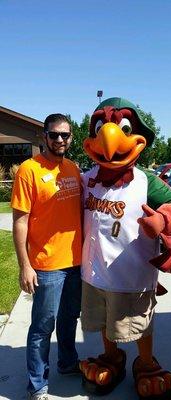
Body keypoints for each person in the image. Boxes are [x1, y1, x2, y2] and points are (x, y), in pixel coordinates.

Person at [79, 97, 171, 399]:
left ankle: (146, 363)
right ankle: (112, 358)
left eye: (122, 127)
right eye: (100, 129)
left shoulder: (145, 180)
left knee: (139, 323)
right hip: (94, 272)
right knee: (105, 321)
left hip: (132, 273)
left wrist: (162, 219)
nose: (109, 139)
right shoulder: (88, 178)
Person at [11, 113, 82, 400]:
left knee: (69, 320)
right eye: (54, 135)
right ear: (44, 137)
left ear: (71, 138)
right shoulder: (29, 170)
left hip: (74, 262)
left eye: (65, 135)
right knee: (42, 327)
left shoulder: (73, 169)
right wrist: (25, 266)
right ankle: (37, 384)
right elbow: (20, 221)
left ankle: (67, 363)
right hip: (46, 266)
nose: (59, 140)